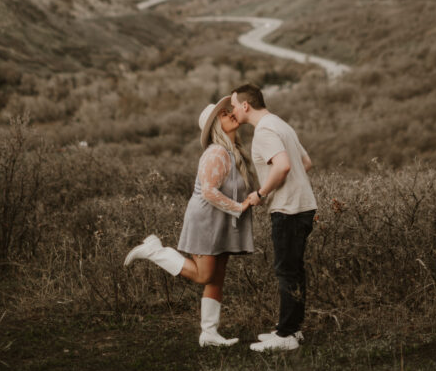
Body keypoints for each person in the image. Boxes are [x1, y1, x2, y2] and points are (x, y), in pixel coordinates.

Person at [123, 96, 257, 346]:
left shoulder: (232, 151)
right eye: (223, 113)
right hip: (206, 219)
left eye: (230, 110)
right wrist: (240, 206)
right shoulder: (216, 152)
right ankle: (155, 252)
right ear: (215, 125)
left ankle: (209, 333)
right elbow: (208, 191)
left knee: (218, 276)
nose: (229, 113)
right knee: (204, 275)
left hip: (222, 221)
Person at [230, 83, 316, 353]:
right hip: (303, 205)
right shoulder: (280, 124)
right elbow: (306, 162)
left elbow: (284, 165)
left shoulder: (265, 131)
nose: (232, 111)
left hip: (288, 209)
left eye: (233, 105)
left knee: (286, 271)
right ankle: (291, 328)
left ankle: (287, 335)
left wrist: (262, 192)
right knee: (294, 269)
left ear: (245, 105)